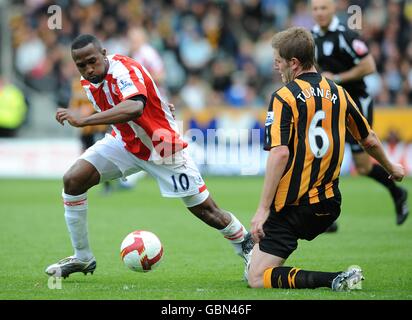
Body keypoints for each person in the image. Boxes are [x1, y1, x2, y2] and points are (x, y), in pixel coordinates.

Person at [45, 34, 252, 278]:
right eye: (82, 65)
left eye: (92, 61)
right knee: (73, 180)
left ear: (103, 53)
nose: (89, 69)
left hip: (162, 146)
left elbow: (134, 107)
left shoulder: (123, 70)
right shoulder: (88, 80)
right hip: (125, 143)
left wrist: (85, 119)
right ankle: (82, 257)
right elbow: (129, 99)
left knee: (207, 211)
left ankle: (248, 246)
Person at [245, 27, 405, 291]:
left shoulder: (283, 97)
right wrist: (392, 168)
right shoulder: (339, 93)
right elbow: (369, 139)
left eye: (278, 61)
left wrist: (263, 208)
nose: (275, 66)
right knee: (256, 265)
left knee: (256, 277)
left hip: (295, 206)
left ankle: (333, 279)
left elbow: (280, 152)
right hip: (329, 206)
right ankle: (260, 257)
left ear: (293, 63)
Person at [311, 0, 408, 232]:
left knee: (363, 167)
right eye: (315, 9)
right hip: (331, 106)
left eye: (323, 8)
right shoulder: (311, 37)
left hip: (356, 104)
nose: (319, 13)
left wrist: (338, 78)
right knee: (321, 156)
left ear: (333, 9)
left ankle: (398, 192)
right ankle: (326, 216)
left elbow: (369, 65)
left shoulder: (346, 35)